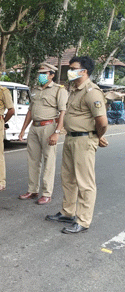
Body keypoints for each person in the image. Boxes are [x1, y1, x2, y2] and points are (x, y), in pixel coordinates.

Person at [46, 56, 108, 234]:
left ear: (84, 71)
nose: (69, 71)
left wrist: (96, 136)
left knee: (85, 182)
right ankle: (68, 212)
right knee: (68, 178)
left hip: (84, 140)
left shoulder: (92, 92)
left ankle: (83, 220)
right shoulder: (74, 90)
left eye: (73, 68)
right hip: (71, 138)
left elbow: (102, 122)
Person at [18, 63, 68, 205]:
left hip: (49, 127)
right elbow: (30, 111)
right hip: (34, 127)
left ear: (51, 75)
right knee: (33, 160)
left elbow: (63, 112)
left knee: (48, 161)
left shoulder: (59, 90)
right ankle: (32, 190)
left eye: (44, 73)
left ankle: (46, 193)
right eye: (40, 73)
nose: (41, 75)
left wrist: (57, 132)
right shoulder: (35, 89)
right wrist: (23, 130)